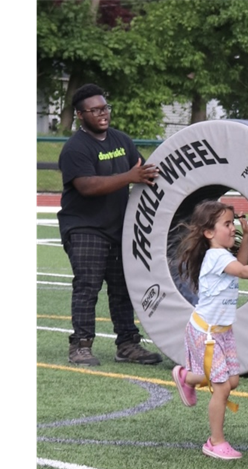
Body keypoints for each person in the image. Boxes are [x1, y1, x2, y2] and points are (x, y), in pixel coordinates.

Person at [57, 83, 163, 367]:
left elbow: (143, 172)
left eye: (105, 108)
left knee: (123, 286)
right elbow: (87, 186)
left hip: (120, 227)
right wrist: (129, 176)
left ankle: (127, 344)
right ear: (80, 115)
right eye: (95, 110)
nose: (103, 114)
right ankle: (80, 346)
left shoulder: (122, 140)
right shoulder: (75, 148)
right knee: (88, 286)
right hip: (84, 227)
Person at [171, 201, 248, 460]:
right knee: (221, 387)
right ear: (209, 233)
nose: (233, 229)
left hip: (222, 331)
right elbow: (243, 270)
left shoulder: (223, 256)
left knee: (232, 381)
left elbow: (239, 266)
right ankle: (214, 441)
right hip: (206, 332)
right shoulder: (215, 256)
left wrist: (247, 237)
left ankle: (186, 376)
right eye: (227, 225)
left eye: (233, 223)